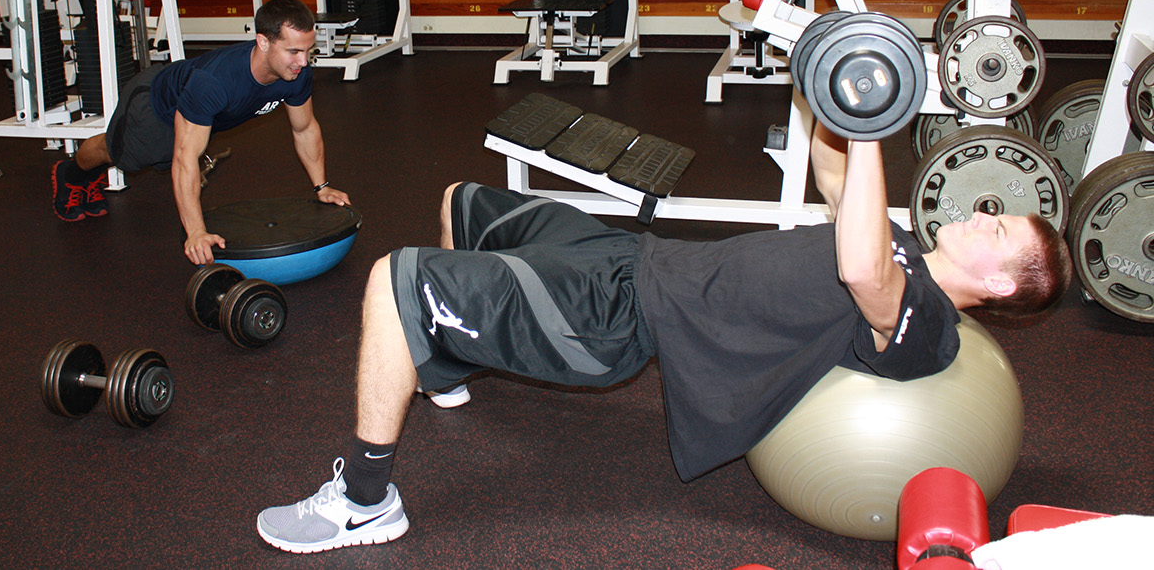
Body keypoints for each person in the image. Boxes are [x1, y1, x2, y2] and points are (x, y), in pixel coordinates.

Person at [254, 121, 1073, 554]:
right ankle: (449, 357)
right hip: (631, 256)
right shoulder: (899, 242)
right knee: (468, 199)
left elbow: (861, 272)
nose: (985, 217)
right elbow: (834, 179)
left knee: (396, 278)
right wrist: (840, 87)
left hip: (621, 318)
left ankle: (366, 503)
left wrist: (871, 136)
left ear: (1002, 286)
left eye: (1004, 236)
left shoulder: (925, 319)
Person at [50, 0, 350, 264]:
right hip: (155, 109)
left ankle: (86, 174)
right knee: (117, 154)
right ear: (262, 42)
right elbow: (185, 156)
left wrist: (322, 187)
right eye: (294, 51)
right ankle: (71, 174)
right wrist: (195, 233)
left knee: (172, 152)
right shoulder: (216, 82)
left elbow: (305, 128)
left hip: (197, 114)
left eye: (307, 50)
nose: (303, 61)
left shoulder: (296, 74)